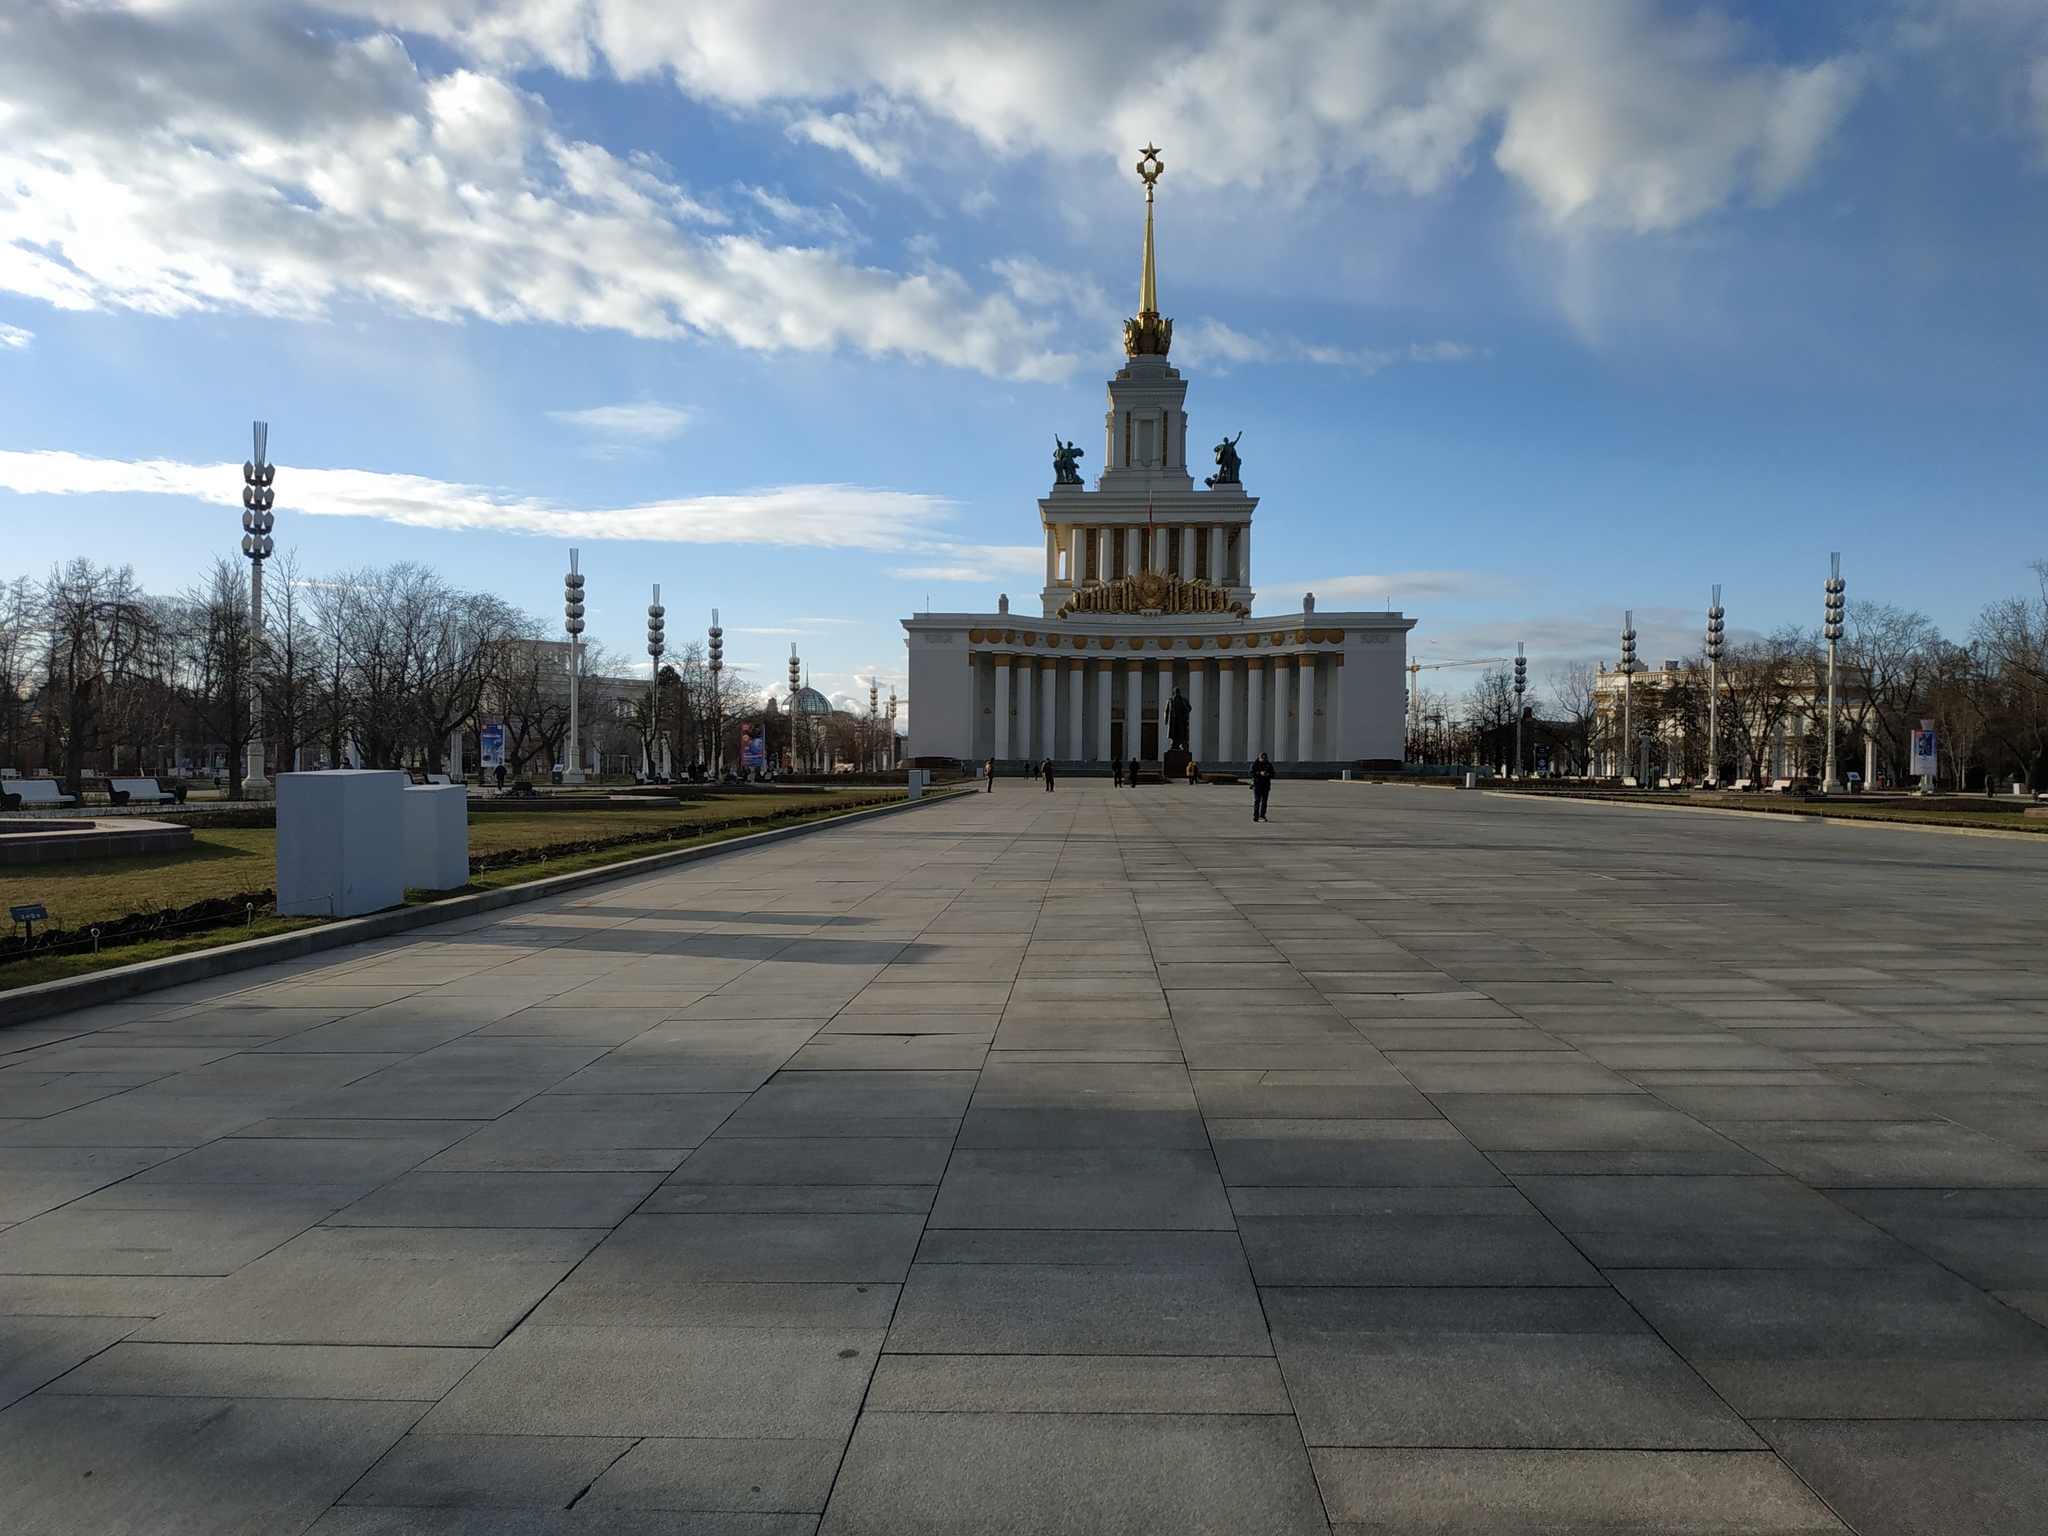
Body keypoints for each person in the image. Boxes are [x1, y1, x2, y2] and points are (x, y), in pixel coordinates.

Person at [1251, 752, 1274, 821]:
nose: (1264, 760)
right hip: (1257, 785)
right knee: (1257, 800)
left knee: (1264, 801)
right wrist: (1259, 773)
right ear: (1259, 758)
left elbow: (1273, 774)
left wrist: (1268, 774)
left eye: (1265, 759)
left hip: (1265, 785)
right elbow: (1251, 773)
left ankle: (1262, 815)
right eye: (1262, 759)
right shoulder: (1255, 764)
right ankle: (1256, 815)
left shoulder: (1269, 765)